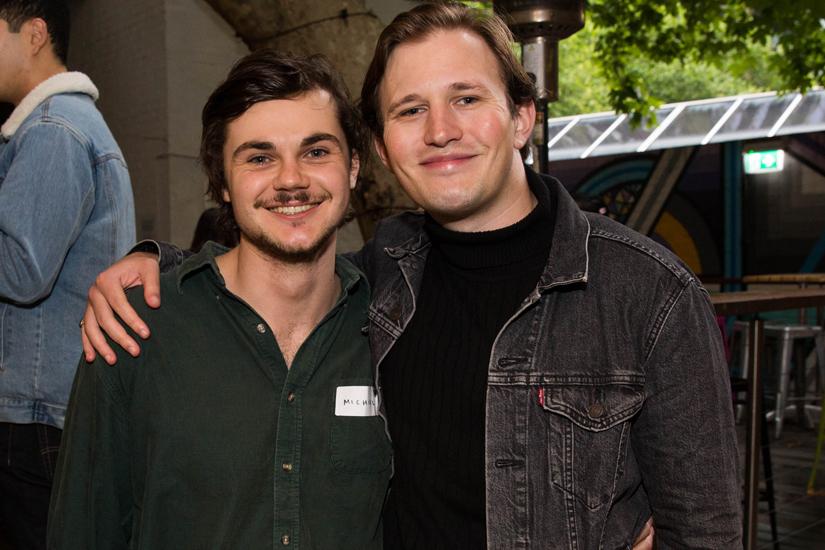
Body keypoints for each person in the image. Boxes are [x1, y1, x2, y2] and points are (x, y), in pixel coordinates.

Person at [79, 2, 741, 548]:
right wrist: (156, 264)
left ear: (521, 117)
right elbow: (276, 262)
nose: (440, 130)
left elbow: (705, 529)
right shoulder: (383, 275)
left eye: (465, 98)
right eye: (409, 109)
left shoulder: (644, 292)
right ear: (381, 146)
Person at [47, 50, 391, 549]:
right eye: (259, 157)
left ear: (354, 167)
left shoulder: (394, 326)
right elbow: (83, 529)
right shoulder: (135, 329)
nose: (291, 179)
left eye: (317, 152)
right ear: (222, 181)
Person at [0, 1, 135, 547]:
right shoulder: (59, 126)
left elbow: (22, 267)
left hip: (34, 415)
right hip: (51, 409)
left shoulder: (55, 129)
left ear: (34, 34)